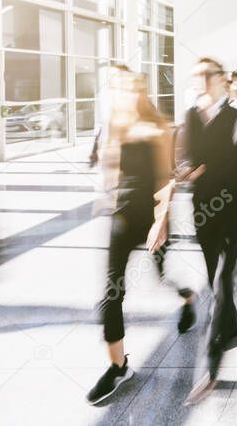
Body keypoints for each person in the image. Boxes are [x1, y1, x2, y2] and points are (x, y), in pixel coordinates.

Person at [89, 72, 194, 404]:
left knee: (160, 277)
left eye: (132, 89)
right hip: (122, 217)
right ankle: (119, 367)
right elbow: (113, 169)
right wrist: (105, 197)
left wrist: (160, 221)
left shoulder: (159, 128)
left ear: (142, 93)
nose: (125, 95)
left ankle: (188, 298)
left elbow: (166, 178)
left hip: (152, 216)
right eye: (120, 89)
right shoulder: (117, 125)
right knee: (111, 292)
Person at [182, 58, 237, 404]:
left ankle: (211, 364)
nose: (199, 81)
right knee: (213, 277)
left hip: (231, 208)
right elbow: (188, 160)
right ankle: (230, 325)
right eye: (196, 76)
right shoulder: (190, 116)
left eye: (205, 75)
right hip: (202, 210)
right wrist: (184, 172)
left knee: (222, 277)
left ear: (220, 80)